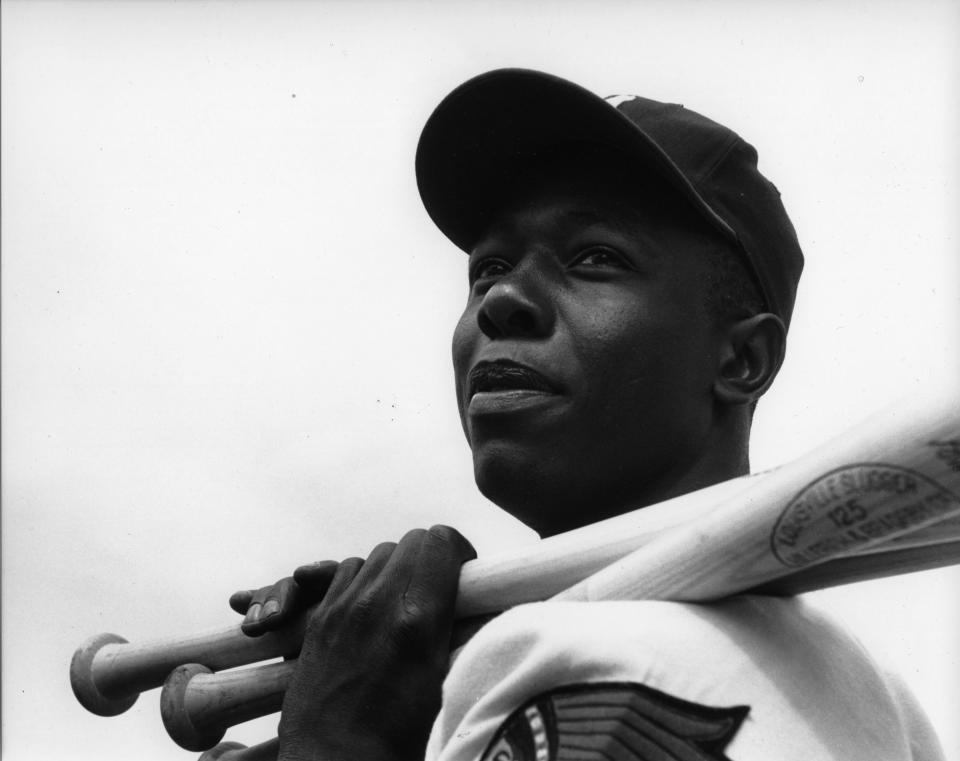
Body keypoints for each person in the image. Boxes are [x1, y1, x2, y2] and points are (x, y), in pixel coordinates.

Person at [229, 70, 944, 761]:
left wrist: (337, 736)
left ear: (741, 359)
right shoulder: (859, 694)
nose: (501, 300)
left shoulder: (620, 657)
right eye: (489, 266)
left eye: (595, 257)